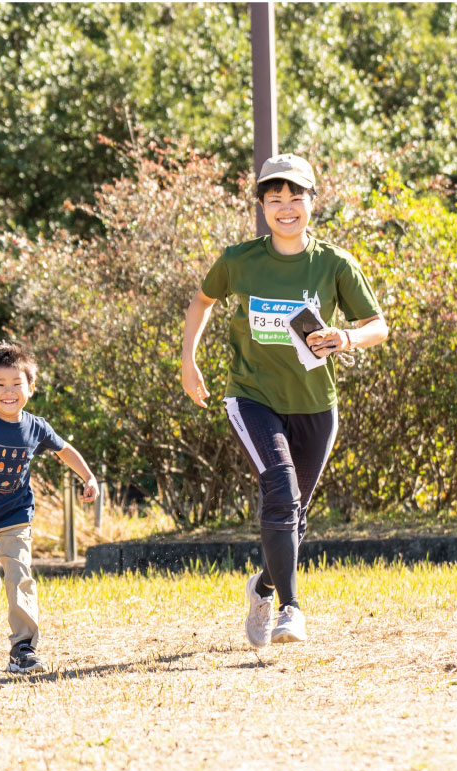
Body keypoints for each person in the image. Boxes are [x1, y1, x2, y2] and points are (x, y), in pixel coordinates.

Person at [180, 153, 389, 649]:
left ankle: (263, 586)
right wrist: (188, 359)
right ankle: (290, 609)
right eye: (275, 199)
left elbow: (378, 326)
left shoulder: (334, 263)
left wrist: (345, 337)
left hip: (317, 404)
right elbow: (202, 301)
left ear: (312, 202)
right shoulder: (239, 260)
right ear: (262, 206)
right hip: (251, 397)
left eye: (295, 197)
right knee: (279, 491)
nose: (286, 207)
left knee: (293, 511)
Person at [0, 341, 99, 674]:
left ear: (31, 388)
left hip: (15, 515)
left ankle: (23, 647)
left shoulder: (36, 426)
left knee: (21, 574)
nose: (8, 391)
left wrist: (89, 476)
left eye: (16, 384)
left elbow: (64, 449)